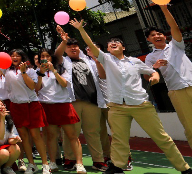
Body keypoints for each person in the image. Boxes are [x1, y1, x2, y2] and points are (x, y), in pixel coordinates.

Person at [70, 19, 192, 174]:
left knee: (162, 138)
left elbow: (151, 71)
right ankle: (117, 167)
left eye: (117, 42)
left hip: (141, 105)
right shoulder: (106, 59)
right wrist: (81, 29)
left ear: (124, 47)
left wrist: (155, 76)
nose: (113, 43)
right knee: (119, 140)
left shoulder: (134, 62)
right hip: (117, 107)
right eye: (110, 43)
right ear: (107, 49)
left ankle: (184, 168)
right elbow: (92, 46)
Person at [0, 35, 50, 174]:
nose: (14, 57)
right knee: (24, 137)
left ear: (22, 57)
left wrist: (24, 72)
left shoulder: (31, 70)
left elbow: (33, 87)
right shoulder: (7, 70)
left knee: (36, 136)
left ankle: (45, 165)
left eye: (17, 55)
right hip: (16, 106)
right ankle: (31, 164)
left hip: (32, 105)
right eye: (12, 55)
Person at [53, 26, 108, 172]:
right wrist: (63, 41)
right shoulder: (63, 61)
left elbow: (102, 76)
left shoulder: (89, 61)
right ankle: (70, 159)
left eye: (75, 46)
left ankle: (98, 161)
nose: (73, 48)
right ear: (65, 49)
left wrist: (97, 62)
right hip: (73, 102)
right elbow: (56, 54)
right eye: (69, 46)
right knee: (71, 133)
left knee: (93, 132)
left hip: (92, 101)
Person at [144, 4, 192, 148]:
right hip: (176, 91)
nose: (157, 36)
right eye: (152, 35)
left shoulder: (176, 45)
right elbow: (148, 77)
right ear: (148, 40)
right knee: (189, 125)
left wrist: (164, 8)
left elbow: (175, 28)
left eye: (159, 33)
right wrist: (155, 68)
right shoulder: (150, 58)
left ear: (164, 36)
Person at [34, 48, 85, 174]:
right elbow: (37, 88)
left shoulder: (62, 69)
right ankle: (52, 162)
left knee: (72, 135)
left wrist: (54, 71)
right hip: (47, 106)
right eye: (42, 56)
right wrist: (41, 73)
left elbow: (64, 84)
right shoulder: (36, 71)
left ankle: (79, 163)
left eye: (48, 56)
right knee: (51, 136)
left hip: (63, 105)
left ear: (52, 58)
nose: (45, 58)